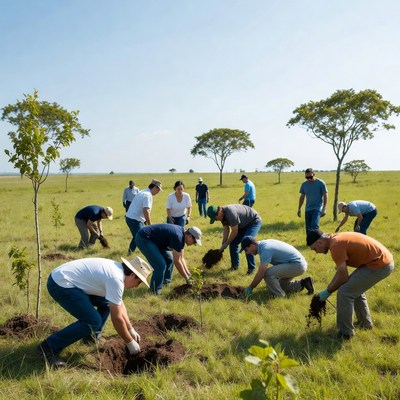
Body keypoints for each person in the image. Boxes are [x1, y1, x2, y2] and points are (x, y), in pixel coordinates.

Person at [36, 256, 153, 368]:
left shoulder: (117, 272)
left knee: (107, 303)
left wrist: (130, 328)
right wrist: (129, 341)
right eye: (139, 282)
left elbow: (119, 304)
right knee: (92, 321)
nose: (137, 286)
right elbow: (116, 318)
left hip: (68, 279)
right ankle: (48, 348)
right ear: (132, 275)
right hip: (61, 284)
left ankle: (91, 337)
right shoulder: (115, 279)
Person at [307, 229, 394, 339]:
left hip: (380, 264)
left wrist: (328, 292)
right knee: (353, 289)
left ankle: (345, 333)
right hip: (381, 260)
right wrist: (328, 289)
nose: (316, 252)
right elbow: (341, 273)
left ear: (320, 242)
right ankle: (365, 324)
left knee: (345, 292)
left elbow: (343, 277)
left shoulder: (336, 246)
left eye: (314, 248)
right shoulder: (335, 239)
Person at [135, 224, 202, 294]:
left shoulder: (182, 235)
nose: (194, 244)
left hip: (155, 241)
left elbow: (181, 258)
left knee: (169, 260)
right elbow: (177, 261)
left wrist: (189, 275)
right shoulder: (178, 237)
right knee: (160, 265)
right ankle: (154, 291)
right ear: (190, 236)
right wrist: (186, 278)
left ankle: (165, 283)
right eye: (194, 242)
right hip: (144, 238)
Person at [240, 236, 314, 298]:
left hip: (297, 265)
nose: (247, 252)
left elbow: (261, 273)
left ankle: (279, 296)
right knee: (279, 285)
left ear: (252, 246)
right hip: (296, 264)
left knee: (268, 274)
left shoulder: (265, 249)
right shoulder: (263, 244)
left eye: (246, 249)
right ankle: (304, 282)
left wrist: (250, 288)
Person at [207, 204, 262, 274]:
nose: (216, 220)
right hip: (242, 225)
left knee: (247, 244)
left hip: (253, 221)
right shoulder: (222, 216)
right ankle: (234, 267)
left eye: (215, 218)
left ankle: (251, 269)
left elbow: (235, 231)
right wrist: (223, 244)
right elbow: (226, 229)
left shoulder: (230, 213)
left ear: (219, 212)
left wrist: (227, 243)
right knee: (233, 244)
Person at [125, 179, 162, 254]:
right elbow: (146, 211)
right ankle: (150, 253)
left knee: (137, 237)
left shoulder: (143, 191)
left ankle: (130, 253)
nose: (158, 192)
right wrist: (150, 225)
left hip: (130, 218)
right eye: (158, 190)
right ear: (155, 187)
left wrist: (145, 220)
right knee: (142, 237)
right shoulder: (147, 195)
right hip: (134, 219)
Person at [297, 168, 328, 233]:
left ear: (314, 174)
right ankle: (309, 243)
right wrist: (299, 209)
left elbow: (325, 195)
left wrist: (324, 208)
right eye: (307, 177)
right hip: (308, 209)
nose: (309, 179)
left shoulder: (321, 183)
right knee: (308, 228)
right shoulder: (304, 184)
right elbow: (302, 197)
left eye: (310, 177)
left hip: (317, 208)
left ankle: (318, 241)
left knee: (314, 226)